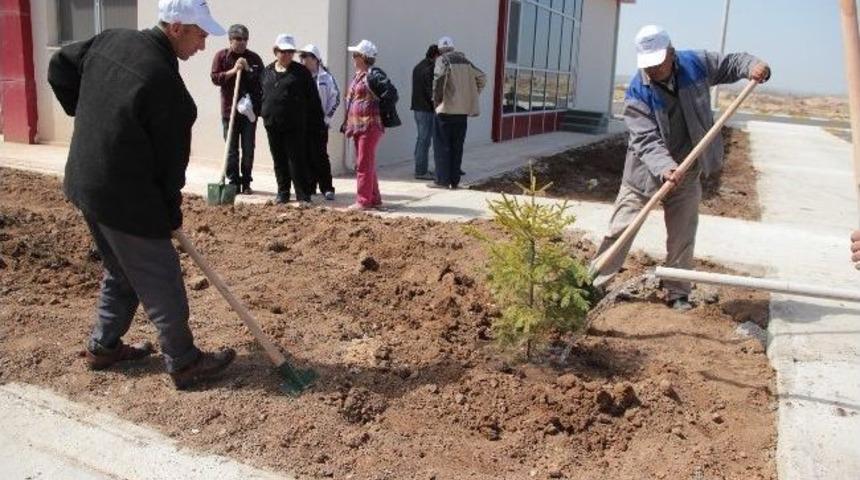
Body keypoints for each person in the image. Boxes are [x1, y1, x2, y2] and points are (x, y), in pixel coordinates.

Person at [47, 0, 236, 390]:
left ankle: (103, 347)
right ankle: (184, 362)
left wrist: (86, 116)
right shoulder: (167, 88)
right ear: (177, 27)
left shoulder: (110, 40)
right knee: (160, 275)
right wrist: (167, 213)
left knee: (121, 269)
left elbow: (60, 66)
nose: (202, 45)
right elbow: (170, 171)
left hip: (86, 181)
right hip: (124, 196)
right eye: (200, 34)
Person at [592, 25, 771, 311]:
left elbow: (732, 63)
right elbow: (645, 139)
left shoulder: (695, 64)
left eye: (657, 62)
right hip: (644, 177)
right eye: (646, 64)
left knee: (682, 235)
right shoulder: (638, 92)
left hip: (687, 173)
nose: (652, 69)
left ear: (671, 54)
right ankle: (593, 285)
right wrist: (665, 167)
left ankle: (677, 292)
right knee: (619, 231)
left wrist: (753, 66)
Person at [260, 34, 324, 204]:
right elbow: (262, 94)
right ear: (276, 51)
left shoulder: (301, 72)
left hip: (294, 125)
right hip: (272, 123)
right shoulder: (267, 71)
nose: (287, 54)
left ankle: (303, 195)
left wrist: (317, 122)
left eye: (290, 51)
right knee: (278, 159)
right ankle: (283, 193)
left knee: (296, 160)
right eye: (283, 51)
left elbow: (313, 99)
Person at [342, 39, 398, 210]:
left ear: (363, 57)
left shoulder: (373, 74)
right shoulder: (359, 76)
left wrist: (381, 109)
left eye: (355, 55)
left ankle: (363, 200)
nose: (353, 58)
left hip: (369, 125)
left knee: (363, 164)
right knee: (367, 163)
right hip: (358, 126)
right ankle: (374, 197)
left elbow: (391, 93)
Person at [210, 24, 264, 194]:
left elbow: (262, 81)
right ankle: (233, 182)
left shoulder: (254, 58)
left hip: (249, 113)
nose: (242, 43)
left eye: (245, 39)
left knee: (248, 148)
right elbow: (215, 78)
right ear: (230, 40)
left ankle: (246, 182)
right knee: (232, 150)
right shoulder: (222, 56)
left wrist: (247, 70)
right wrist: (233, 71)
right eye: (238, 39)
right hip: (229, 111)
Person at [430, 36, 485, 190]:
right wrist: (472, 94)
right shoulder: (466, 62)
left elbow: (439, 78)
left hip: (445, 110)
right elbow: (482, 78)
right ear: (453, 48)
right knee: (457, 146)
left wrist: (436, 100)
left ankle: (442, 180)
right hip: (462, 112)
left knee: (442, 146)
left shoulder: (442, 60)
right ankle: (455, 181)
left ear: (440, 50)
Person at [299, 44, 339, 201]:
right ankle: (309, 186)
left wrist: (327, 119)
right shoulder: (300, 76)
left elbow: (334, 99)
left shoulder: (326, 78)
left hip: (320, 122)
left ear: (315, 59)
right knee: (305, 154)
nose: (302, 60)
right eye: (301, 57)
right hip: (303, 122)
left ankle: (327, 187)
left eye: (306, 57)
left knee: (320, 155)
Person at [411, 44, 439, 181]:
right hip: (427, 109)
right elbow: (430, 91)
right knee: (425, 140)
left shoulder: (418, 66)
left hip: (417, 108)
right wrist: (438, 106)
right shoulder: (431, 68)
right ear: (436, 56)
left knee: (421, 139)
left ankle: (419, 167)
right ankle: (421, 171)